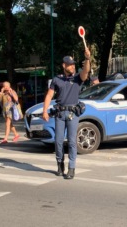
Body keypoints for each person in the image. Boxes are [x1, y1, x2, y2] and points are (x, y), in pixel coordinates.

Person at [42, 47, 91, 180]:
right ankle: (60, 164)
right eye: (70, 65)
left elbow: (86, 71)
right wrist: (44, 110)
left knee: (72, 142)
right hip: (59, 114)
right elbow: (49, 95)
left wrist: (87, 58)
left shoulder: (77, 78)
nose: (73, 66)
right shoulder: (57, 79)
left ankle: (71, 168)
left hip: (72, 114)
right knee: (58, 141)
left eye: (74, 64)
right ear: (64, 65)